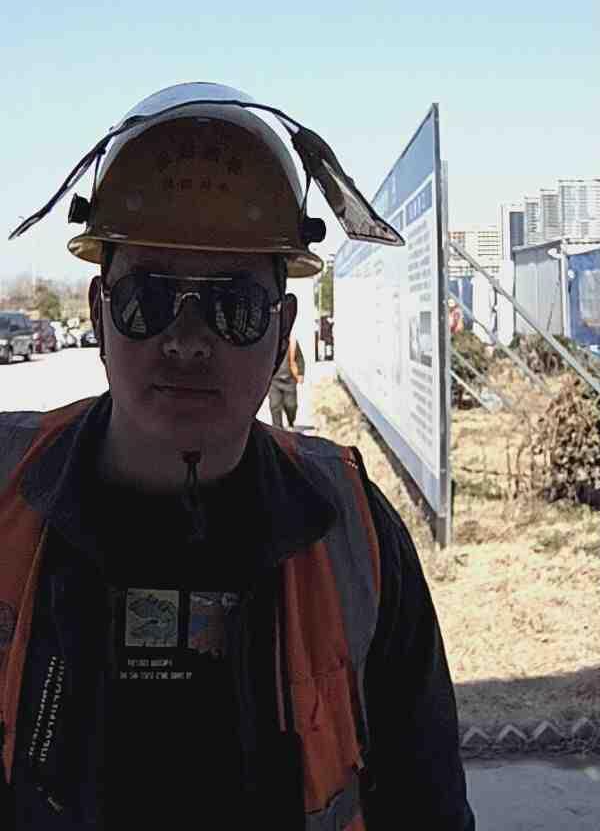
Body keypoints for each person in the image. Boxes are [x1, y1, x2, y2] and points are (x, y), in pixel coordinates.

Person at [0, 83, 475, 829]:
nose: (188, 342)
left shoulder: (356, 533)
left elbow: (429, 806)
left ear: (281, 331)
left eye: (235, 307)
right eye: (149, 298)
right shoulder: (6, 494)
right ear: (98, 312)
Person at [268, 333, 305, 428]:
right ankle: (277, 428)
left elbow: (299, 359)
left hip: (290, 380)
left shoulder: (293, 342)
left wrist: (300, 373)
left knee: (291, 405)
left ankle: (291, 421)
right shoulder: (271, 342)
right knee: (274, 405)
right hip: (274, 380)